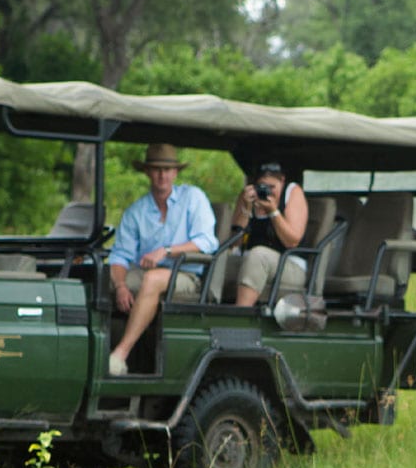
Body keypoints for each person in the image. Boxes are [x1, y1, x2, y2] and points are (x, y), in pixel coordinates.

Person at [105, 143, 216, 376]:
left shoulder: (193, 197)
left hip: (188, 274)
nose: (162, 175)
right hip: (147, 273)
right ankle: (107, 353)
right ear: (147, 172)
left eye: (167, 169)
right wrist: (121, 285)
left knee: (152, 280)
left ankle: (120, 356)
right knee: (105, 280)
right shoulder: (136, 211)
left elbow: (207, 242)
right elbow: (120, 255)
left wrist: (166, 251)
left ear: (175, 172)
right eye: (156, 169)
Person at [225, 161, 309, 307]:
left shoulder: (293, 192)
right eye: (262, 187)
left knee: (258, 255)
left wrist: (273, 211)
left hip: (288, 264)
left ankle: (240, 312)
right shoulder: (248, 196)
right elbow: (234, 243)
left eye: (272, 187)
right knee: (220, 260)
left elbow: (292, 241)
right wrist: (246, 209)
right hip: (249, 259)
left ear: (282, 181)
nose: (267, 191)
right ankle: (206, 309)